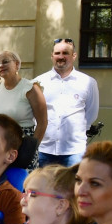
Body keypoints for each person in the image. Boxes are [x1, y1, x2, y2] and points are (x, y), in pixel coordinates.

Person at [34, 38, 99, 167]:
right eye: (57, 53)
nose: (61, 57)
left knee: (73, 187)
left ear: (73, 56)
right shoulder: (39, 82)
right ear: (52, 56)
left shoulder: (88, 82)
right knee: (42, 187)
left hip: (74, 151)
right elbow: (33, 114)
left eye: (65, 53)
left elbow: (91, 114)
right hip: (44, 149)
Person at [0, 50, 47, 169]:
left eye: (5, 62)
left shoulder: (30, 88)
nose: (1, 65)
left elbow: (43, 122)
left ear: (16, 64)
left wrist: (30, 149)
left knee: (22, 185)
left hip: (23, 145)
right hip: (0, 145)